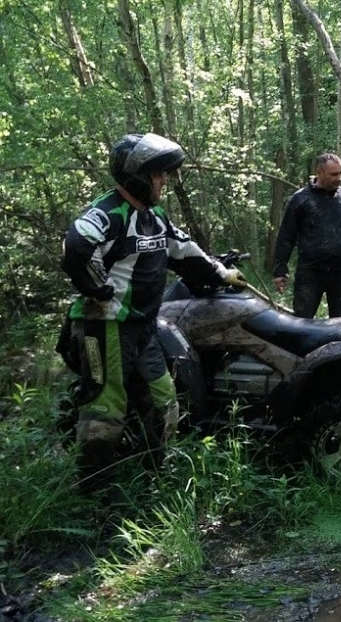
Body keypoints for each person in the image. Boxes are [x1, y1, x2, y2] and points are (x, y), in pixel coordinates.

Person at [59, 132, 247, 489]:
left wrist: (223, 274)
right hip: (106, 325)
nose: (164, 180)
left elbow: (185, 251)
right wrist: (98, 288)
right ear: (136, 176)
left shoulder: (154, 217)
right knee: (105, 408)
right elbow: (76, 245)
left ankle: (153, 477)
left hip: (144, 327)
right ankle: (94, 489)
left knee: (164, 399)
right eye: (158, 173)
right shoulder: (108, 212)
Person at [271, 153, 341, 318]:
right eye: (333, 174)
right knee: (302, 322)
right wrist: (280, 271)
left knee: (340, 324)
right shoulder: (300, 199)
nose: (338, 178)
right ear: (319, 173)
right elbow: (286, 237)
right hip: (310, 272)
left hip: (340, 271)